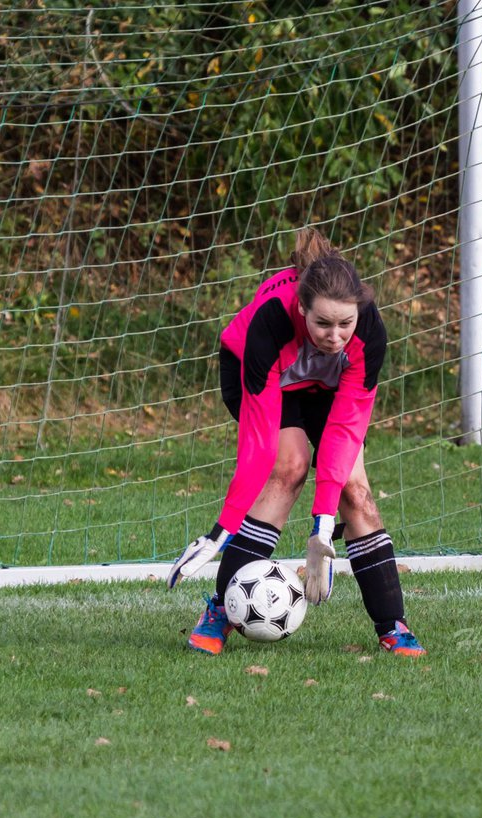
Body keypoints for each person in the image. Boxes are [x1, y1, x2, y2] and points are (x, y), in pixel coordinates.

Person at [167, 227, 426, 657]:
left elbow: (344, 433)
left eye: (345, 323)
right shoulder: (269, 323)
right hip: (270, 382)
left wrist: (322, 528)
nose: (335, 335)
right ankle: (219, 610)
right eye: (323, 323)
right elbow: (257, 452)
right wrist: (219, 532)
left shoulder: (368, 333)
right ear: (301, 308)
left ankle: (392, 624)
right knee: (288, 466)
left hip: (330, 390)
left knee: (355, 491)